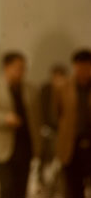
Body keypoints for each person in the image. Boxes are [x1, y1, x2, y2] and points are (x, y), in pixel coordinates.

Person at [0, 52, 40, 198]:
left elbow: (37, 119)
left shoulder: (31, 90)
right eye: (17, 68)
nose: (21, 72)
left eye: (23, 68)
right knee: (7, 189)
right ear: (6, 67)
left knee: (21, 190)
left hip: (25, 147)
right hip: (3, 148)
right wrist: (4, 119)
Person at [56, 49, 91, 198]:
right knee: (73, 189)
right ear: (74, 66)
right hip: (71, 146)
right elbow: (57, 113)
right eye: (79, 66)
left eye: (86, 67)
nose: (82, 70)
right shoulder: (63, 87)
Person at [37, 65, 67, 196]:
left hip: (63, 135)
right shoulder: (45, 90)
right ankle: (43, 184)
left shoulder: (69, 92)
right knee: (45, 162)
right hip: (47, 133)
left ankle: (57, 186)